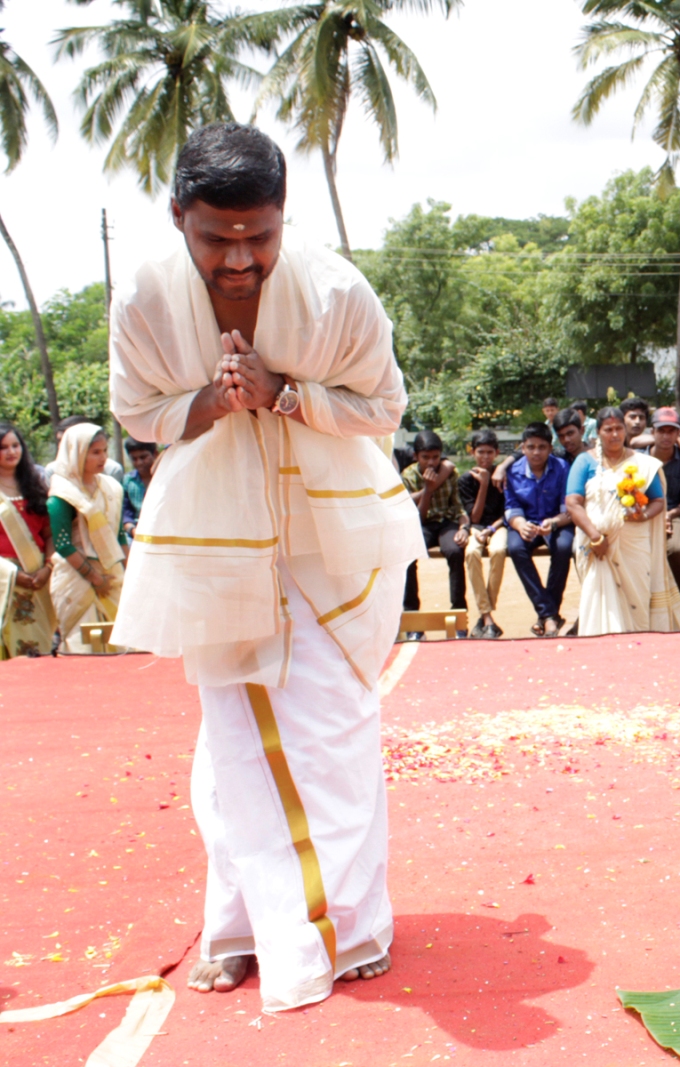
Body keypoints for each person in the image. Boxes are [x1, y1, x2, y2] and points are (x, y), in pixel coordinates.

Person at [108, 123, 420, 1006]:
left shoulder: (336, 292)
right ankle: (242, 924)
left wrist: (283, 397)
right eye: (218, 238)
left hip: (333, 533)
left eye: (260, 236)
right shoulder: (142, 299)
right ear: (179, 218)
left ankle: (351, 925)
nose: (240, 259)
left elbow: (384, 406)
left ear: (285, 218)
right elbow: (137, 412)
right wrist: (212, 400)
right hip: (217, 530)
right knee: (236, 737)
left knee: (333, 725)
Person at [565, 406, 680, 635]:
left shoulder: (642, 463)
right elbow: (573, 503)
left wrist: (642, 515)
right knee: (601, 603)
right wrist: (595, 536)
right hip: (597, 547)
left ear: (625, 430)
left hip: (634, 544)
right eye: (608, 429)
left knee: (637, 603)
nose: (614, 434)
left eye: (618, 428)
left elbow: (657, 502)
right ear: (598, 433)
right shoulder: (585, 462)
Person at [48, 423, 127, 652]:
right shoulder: (62, 493)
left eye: (104, 450)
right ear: (77, 453)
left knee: (121, 649)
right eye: (95, 452)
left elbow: (118, 533)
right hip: (76, 581)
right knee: (83, 649)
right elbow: (63, 545)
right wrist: (95, 579)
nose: (103, 458)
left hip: (112, 577)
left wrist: (129, 573)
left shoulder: (111, 488)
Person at [504, 423, 574, 637]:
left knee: (563, 547)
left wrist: (553, 523)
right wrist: (520, 525)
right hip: (526, 523)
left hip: (555, 522)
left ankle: (546, 615)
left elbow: (568, 509)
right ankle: (550, 614)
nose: (536, 452)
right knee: (516, 548)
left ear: (550, 449)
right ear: (522, 448)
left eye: (542, 447)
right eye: (531, 446)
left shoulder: (562, 468)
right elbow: (510, 508)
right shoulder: (512, 471)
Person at [400, 430, 467, 634]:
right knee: (409, 555)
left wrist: (463, 528)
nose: (431, 462)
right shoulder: (408, 476)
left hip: (445, 522)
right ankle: (413, 619)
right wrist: (428, 490)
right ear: (415, 456)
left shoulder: (449, 473)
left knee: (455, 551)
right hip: (422, 524)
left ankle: (459, 613)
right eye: (425, 457)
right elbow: (418, 518)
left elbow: (457, 507)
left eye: (435, 457)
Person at [0, 422, 55, 658]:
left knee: (40, 647)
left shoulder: (35, 484)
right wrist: (13, 574)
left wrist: (48, 567)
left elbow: (49, 533)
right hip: (5, 578)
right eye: (3, 448)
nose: (12, 452)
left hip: (39, 577)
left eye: (15, 445)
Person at [646, 406, 680, 610]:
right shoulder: (639, 458)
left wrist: (669, 515)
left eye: (671, 431)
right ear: (653, 432)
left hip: (675, 515)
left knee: (677, 549)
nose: (666, 436)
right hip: (643, 515)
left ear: (678, 434)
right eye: (661, 430)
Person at [458, 429, 508, 639]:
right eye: (481, 452)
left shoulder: (503, 476)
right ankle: (487, 616)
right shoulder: (465, 480)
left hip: (499, 526)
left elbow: (508, 512)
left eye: (489, 452)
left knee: (498, 550)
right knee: (471, 554)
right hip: (476, 528)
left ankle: (484, 617)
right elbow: (475, 518)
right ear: (473, 452)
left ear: (496, 453)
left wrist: (492, 529)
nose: (485, 457)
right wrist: (484, 484)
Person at [51, 414, 126, 484]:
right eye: (59, 441)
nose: (61, 446)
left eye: (66, 441)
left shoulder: (112, 471)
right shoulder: (53, 472)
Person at [120, 439, 158, 540]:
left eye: (143, 457)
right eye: (134, 459)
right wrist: (133, 531)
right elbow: (126, 513)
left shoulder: (165, 477)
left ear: (155, 454)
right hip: (136, 533)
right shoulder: (128, 481)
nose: (139, 462)